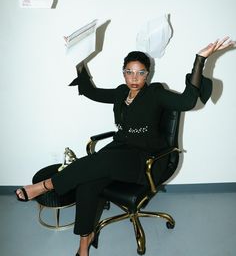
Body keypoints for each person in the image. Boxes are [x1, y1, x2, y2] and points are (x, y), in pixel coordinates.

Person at [15, 37, 234, 256]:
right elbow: (91, 92)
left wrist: (200, 59)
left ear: (148, 74)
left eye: (140, 73)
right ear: (123, 73)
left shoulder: (156, 94)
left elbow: (187, 101)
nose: (134, 78)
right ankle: (84, 243)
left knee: (102, 160)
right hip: (119, 154)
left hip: (146, 160)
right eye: (129, 72)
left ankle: (46, 185)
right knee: (88, 183)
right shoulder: (121, 93)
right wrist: (79, 59)